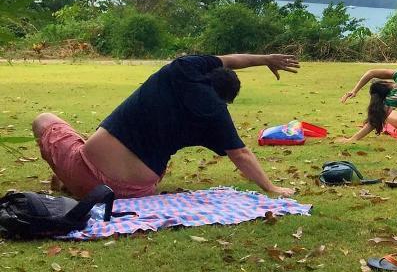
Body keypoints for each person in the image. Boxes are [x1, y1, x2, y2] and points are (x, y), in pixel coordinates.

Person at [32, 53, 300, 200]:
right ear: (226, 99)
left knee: (44, 120)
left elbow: (230, 60)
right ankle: (71, 181)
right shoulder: (217, 114)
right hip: (134, 192)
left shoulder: (182, 69)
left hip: (86, 170)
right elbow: (241, 155)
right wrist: (271, 188)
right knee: (92, 143)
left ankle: (70, 179)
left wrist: (265, 58)